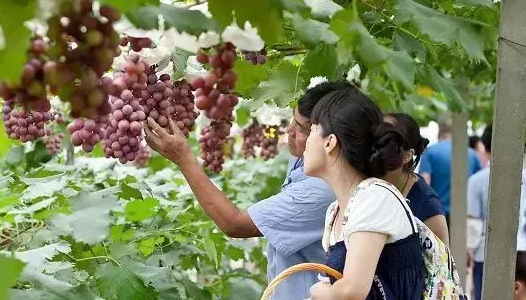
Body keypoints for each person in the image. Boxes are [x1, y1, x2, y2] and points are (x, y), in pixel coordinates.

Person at [144, 81, 355, 300]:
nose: (289, 129)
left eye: (301, 128)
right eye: (293, 120)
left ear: (330, 141)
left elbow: (235, 224)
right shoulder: (312, 161)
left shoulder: (320, 190)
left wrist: (184, 158)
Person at [305, 87, 425, 300]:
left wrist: (320, 292)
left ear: (330, 142)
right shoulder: (337, 210)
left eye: (312, 129)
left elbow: (353, 290)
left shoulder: (374, 198)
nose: (305, 142)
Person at [468, 125, 526, 300]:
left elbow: (473, 222)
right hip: (522, 251)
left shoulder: (476, 181)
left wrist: (469, 251)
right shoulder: (523, 178)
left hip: (485, 254)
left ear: (484, 147)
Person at [383, 113, 449, 245]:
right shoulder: (370, 185)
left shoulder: (428, 208)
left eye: (387, 140)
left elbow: (442, 262)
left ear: (407, 155)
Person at [419, 118, 482, 224]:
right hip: (464, 213)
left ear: (440, 133)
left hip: (438, 213)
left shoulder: (430, 152)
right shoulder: (471, 154)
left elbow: (425, 183)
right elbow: (477, 184)